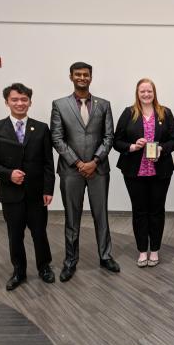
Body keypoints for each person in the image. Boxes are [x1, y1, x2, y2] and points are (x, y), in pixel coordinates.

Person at [0, 83, 55, 291]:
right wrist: (7, 174)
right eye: (15, 99)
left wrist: (48, 190)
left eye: (24, 99)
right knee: (15, 234)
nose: (20, 103)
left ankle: (44, 267)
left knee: (39, 232)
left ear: (30, 102)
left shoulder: (41, 128)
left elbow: (48, 163)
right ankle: (19, 271)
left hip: (37, 193)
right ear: (7, 102)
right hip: (10, 194)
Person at [51, 61, 119, 282]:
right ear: (71, 76)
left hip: (99, 170)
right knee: (72, 217)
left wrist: (95, 161)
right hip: (71, 171)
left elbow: (109, 136)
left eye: (86, 74)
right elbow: (57, 138)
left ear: (91, 77)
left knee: (102, 215)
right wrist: (79, 163)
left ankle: (105, 256)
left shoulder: (104, 104)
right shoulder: (59, 104)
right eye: (78, 74)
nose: (82, 77)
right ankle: (70, 261)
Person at [113, 78, 174, 267]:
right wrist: (132, 146)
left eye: (149, 91)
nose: (146, 94)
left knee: (157, 211)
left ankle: (155, 250)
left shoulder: (165, 113)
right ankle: (142, 251)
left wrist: (162, 149)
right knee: (139, 211)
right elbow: (117, 141)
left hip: (160, 171)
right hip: (134, 172)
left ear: (154, 92)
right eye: (143, 91)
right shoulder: (129, 113)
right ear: (137, 93)